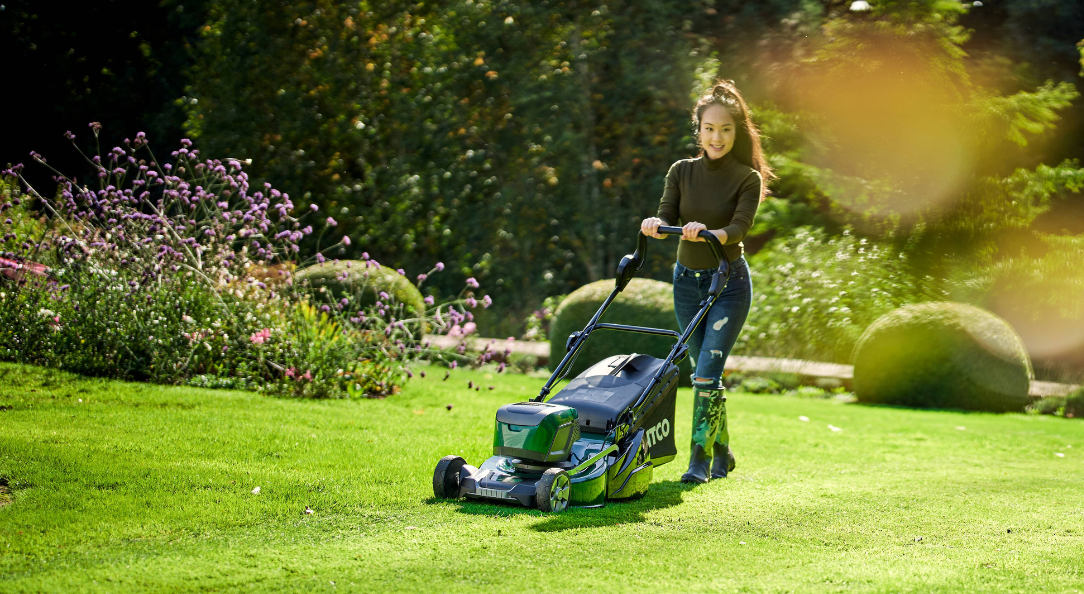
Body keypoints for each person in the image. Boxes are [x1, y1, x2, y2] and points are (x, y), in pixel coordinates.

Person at [640, 80, 774, 484]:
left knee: (704, 374)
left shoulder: (747, 178)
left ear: (737, 132)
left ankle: (698, 460)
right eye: (709, 128)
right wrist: (655, 225)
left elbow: (739, 227)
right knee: (703, 371)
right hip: (686, 283)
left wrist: (713, 233)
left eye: (726, 129)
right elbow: (665, 215)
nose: (717, 137)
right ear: (698, 130)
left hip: (728, 284)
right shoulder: (681, 171)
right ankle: (722, 452)